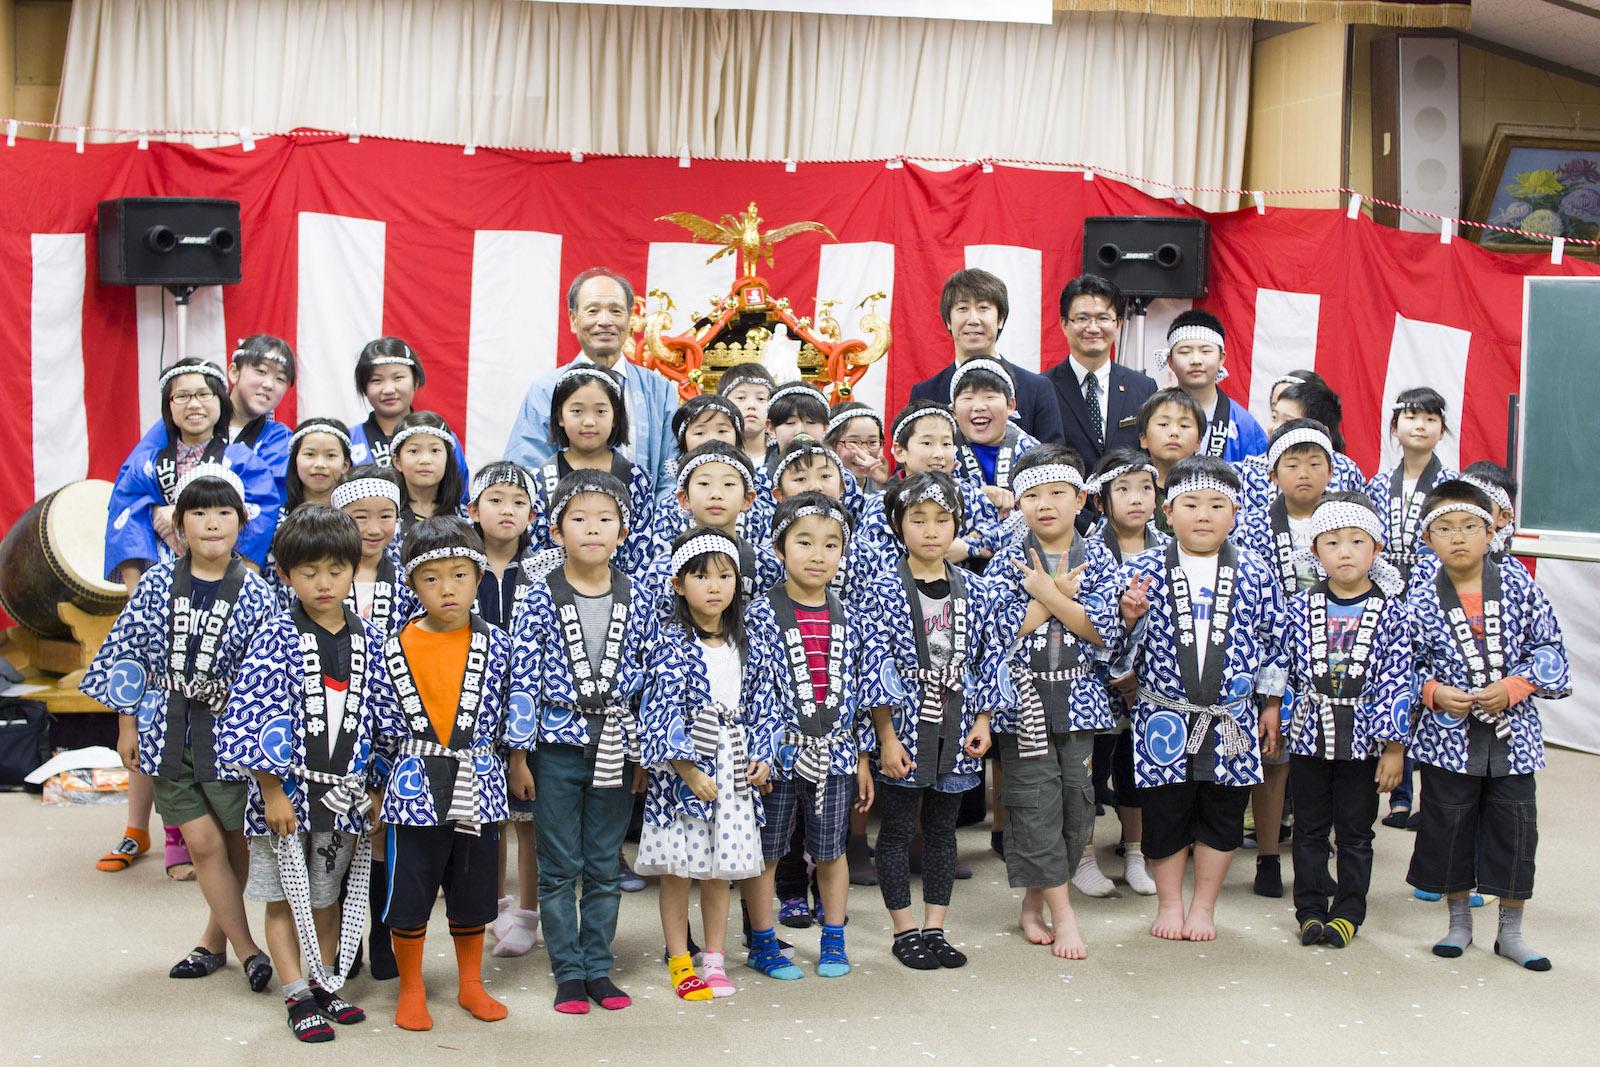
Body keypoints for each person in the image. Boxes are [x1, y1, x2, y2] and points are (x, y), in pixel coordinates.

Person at [83, 464, 280, 989]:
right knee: (201, 842)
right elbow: (131, 654)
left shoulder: (259, 592)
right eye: (198, 512)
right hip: (164, 728)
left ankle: (213, 944)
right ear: (179, 524)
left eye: (223, 513)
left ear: (242, 522)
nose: (212, 523)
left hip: (230, 736)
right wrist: (126, 726)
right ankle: (249, 950)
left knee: (236, 840)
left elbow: (265, 674)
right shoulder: (153, 584)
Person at [98, 361, 281, 881]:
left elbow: (259, 513)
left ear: (221, 401)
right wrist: (138, 576)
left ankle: (207, 839)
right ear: (168, 406)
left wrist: (233, 572)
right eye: (181, 397)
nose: (193, 404)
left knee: (212, 720)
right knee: (158, 711)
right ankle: (155, 829)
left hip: (222, 590)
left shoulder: (243, 457)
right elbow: (125, 512)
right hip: (161, 590)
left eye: (204, 394)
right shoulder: (149, 459)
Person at [217, 506, 389, 1041]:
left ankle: (324, 981)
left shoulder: (370, 638)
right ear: (286, 575)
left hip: (346, 796)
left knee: (326, 893)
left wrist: (379, 787)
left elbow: (385, 717)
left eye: (336, 570)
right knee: (283, 898)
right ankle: (296, 994)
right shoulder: (275, 637)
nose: (323, 583)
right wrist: (272, 791)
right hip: (286, 797)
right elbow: (254, 714)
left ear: (353, 568)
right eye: (308, 572)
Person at [1116, 455, 1287, 942]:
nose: (1204, 515)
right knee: (1166, 811)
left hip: (1231, 716)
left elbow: (1276, 643)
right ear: (1167, 512)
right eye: (1190, 504)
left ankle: (1204, 907)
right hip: (1162, 717)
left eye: (1217, 504)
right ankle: (1170, 904)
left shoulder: (1255, 572)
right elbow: (1113, 647)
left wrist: (1270, 704)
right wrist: (1128, 617)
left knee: (1223, 809)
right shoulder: (1143, 569)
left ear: (1235, 513)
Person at [1406, 481, 1570, 971]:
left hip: (1512, 734)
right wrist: (1433, 692)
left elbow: (1551, 651)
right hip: (1447, 736)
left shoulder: (1518, 584)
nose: (1458, 538)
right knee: (1448, 825)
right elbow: (1398, 663)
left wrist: (1517, 686)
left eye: (1469, 527)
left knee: (1514, 829)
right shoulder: (1417, 596)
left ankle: (1512, 933)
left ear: (1490, 531)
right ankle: (1458, 924)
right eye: (1445, 529)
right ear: (1428, 538)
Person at [507, 470, 650, 1013]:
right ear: (555, 530)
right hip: (554, 745)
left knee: (602, 861)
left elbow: (649, 679)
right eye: (579, 519)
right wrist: (519, 756)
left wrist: (643, 754)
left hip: (617, 742)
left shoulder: (637, 596)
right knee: (559, 862)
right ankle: (568, 971)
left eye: (605, 519)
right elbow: (522, 676)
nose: (593, 529)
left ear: (622, 530)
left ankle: (598, 967)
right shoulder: (539, 596)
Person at [861, 472, 1014, 971]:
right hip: (905, 723)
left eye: (942, 520)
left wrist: (985, 718)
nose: (931, 530)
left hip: (960, 719)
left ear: (958, 525)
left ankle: (935, 925)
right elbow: (873, 662)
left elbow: (992, 658)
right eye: (918, 520)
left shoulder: (977, 590)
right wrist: (884, 735)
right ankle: (903, 928)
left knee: (945, 829)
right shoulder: (882, 588)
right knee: (900, 827)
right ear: (896, 525)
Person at [373, 516, 516, 1031]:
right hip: (412, 784)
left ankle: (470, 984)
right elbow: (376, 724)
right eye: (431, 578)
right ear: (410, 584)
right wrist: (375, 787)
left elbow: (509, 714)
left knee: (473, 887)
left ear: (479, 578)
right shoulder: (388, 647)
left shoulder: (499, 645)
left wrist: (516, 763)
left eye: (459, 575)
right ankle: (412, 988)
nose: (447, 589)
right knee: (409, 891)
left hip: (479, 780)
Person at [985, 447, 1123, 958]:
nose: (1045, 505)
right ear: (1018, 503)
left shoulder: (1100, 556)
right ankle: (1064, 916)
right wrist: (1054, 599)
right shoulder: (1007, 556)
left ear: (1081, 498)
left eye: (1057, 494)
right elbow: (998, 633)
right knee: (1033, 804)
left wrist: (1048, 595)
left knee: (1076, 804)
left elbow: (1101, 630)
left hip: (1081, 701)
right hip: (1022, 704)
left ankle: (1031, 903)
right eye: (1032, 496)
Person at [742, 493, 882, 980]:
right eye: (804, 542)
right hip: (777, 757)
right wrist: (759, 752)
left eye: (830, 544)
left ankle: (834, 940)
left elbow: (865, 691)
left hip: (838, 754)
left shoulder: (853, 616)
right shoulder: (759, 615)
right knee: (767, 851)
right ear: (779, 549)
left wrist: (864, 755)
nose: (817, 555)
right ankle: (762, 942)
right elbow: (753, 689)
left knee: (831, 851)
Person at [636, 528, 773, 1000]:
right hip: (686, 777)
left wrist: (763, 755)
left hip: (734, 769)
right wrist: (688, 769)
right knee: (680, 870)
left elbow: (765, 704)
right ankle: (680, 959)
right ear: (678, 584)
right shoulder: (670, 642)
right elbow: (658, 709)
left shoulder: (749, 640)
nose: (714, 586)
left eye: (724, 575)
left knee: (721, 872)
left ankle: (715, 959)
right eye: (700, 576)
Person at [1281, 494, 1411, 949]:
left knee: (1356, 831)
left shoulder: (1393, 610)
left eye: (1357, 541)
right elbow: (1286, 667)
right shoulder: (1299, 606)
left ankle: (1349, 910)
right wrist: (1277, 715)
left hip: (1364, 741)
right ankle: (1311, 909)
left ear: (1375, 549)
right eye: (1332, 542)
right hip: (1309, 735)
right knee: (1309, 828)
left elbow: (1399, 679)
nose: (1345, 551)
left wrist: (1394, 748)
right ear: (1315, 551)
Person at [1233, 419, 1339, 897]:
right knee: (1272, 756)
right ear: (1273, 473)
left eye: (1315, 463)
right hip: (1273, 652)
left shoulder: (1345, 523)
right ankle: (1269, 856)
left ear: (1331, 470)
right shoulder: (1255, 525)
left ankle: (1318, 849)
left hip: (1335, 654)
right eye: (1291, 464)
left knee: (1329, 757)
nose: (1303, 473)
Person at [504, 268, 679, 492]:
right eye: (593, 311)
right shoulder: (545, 389)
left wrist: (651, 522)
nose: (605, 321)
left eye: (616, 311)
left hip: (644, 524)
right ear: (573, 319)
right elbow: (526, 470)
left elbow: (672, 473)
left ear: (630, 318)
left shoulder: (659, 390)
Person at [464, 461, 543, 959]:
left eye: (518, 502)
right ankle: (494, 907)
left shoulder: (543, 568)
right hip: (474, 702)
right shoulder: (462, 564)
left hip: (530, 700)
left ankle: (530, 914)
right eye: (495, 500)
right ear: (473, 510)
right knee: (486, 816)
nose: (507, 510)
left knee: (527, 816)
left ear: (533, 514)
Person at [1084, 450, 1168, 896]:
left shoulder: (1170, 552)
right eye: (1123, 489)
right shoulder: (1091, 553)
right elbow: (1087, 621)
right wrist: (1119, 668)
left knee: (1137, 772)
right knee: (1094, 771)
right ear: (1100, 501)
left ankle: (1134, 852)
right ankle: (1082, 855)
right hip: (1099, 684)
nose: (1136, 499)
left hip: (1154, 685)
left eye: (1145, 489)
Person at [127, 335, 298, 499]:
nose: (268, 384)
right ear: (234, 372)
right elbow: (130, 479)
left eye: (280, 378)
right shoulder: (188, 419)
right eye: (261, 371)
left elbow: (270, 500)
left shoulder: (279, 438)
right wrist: (154, 512)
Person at [634, 441, 785, 627]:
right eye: (704, 483)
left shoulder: (768, 566)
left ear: (748, 499)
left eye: (729, 484)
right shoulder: (664, 569)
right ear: (684, 498)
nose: (715, 494)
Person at [909, 268, 1066, 445]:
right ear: (948, 321)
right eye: (962, 308)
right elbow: (912, 465)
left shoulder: (1037, 389)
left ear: (1000, 319)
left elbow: (1054, 461)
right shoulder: (925, 393)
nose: (973, 319)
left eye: (983, 308)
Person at [529, 364, 656, 572]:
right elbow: (536, 552)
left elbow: (640, 554)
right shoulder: (541, 479)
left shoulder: (636, 479)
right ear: (560, 416)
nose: (589, 421)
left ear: (615, 416)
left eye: (600, 411)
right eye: (577, 411)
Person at [854, 400, 1008, 565]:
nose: (939, 454)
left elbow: (1008, 532)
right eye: (927, 443)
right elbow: (873, 563)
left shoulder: (970, 495)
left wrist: (967, 546)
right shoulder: (882, 505)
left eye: (947, 443)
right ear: (900, 451)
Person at [1045, 274, 1159, 471]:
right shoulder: (1042, 388)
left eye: (1103, 318)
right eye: (1082, 318)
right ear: (1064, 324)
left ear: (1118, 323)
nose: (1093, 328)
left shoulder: (1144, 387)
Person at [347, 337, 470, 490]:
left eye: (398, 378)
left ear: (416, 380)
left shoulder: (442, 437)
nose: (389, 389)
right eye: (377, 380)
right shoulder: (348, 441)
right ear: (364, 388)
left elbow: (460, 496)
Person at [261, 418, 355, 611]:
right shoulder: (274, 520)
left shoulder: (357, 518)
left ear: (345, 464)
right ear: (295, 460)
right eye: (310, 454)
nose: (320, 464)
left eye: (330, 456)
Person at [1365, 386, 1456, 584]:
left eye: (1430, 419)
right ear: (1395, 428)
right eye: (1412, 417)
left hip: (1434, 582)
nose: (1420, 426)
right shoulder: (1378, 484)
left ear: (1441, 432)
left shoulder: (1452, 485)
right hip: (1382, 582)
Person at [1162, 310, 1267, 463]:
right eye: (1185, 352)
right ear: (1170, 361)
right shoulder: (1156, 414)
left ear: (1221, 358)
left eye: (1205, 351)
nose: (1196, 360)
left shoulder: (1242, 423)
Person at [951, 358, 1039, 514]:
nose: (978, 407)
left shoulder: (1033, 452)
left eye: (990, 397)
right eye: (968, 398)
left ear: (1010, 405)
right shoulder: (943, 451)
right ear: (954, 410)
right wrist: (975, 496)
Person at [1135, 388, 1207, 536]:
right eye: (1163, 424)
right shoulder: (1131, 489)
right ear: (1143, 438)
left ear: (1199, 442)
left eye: (1185, 426)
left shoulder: (1209, 489)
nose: (1174, 432)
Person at [389, 411, 468, 539]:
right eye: (414, 451)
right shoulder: (387, 517)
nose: (425, 460)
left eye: (435, 450)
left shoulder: (466, 518)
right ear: (397, 461)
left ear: (448, 458)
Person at [717, 362, 776, 473]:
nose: (751, 406)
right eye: (741, 397)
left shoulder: (782, 455)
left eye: (761, 398)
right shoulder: (714, 456)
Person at [825, 402, 891, 495]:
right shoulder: (820, 488)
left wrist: (882, 485)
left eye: (872, 442)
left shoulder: (886, 486)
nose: (864, 452)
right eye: (853, 442)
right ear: (830, 443)